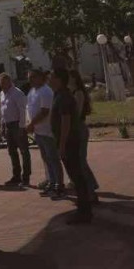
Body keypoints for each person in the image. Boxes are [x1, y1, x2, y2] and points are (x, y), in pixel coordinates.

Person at [50, 68, 92, 224]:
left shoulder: (64, 97)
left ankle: (84, 212)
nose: (49, 80)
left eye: (52, 77)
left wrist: (61, 144)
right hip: (68, 141)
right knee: (76, 175)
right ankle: (84, 209)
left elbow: (66, 122)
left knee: (76, 176)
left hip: (70, 142)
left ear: (59, 80)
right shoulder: (60, 95)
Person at [26, 69, 64, 198]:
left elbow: (44, 111)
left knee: (53, 158)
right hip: (38, 131)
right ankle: (52, 182)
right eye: (29, 77)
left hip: (47, 131)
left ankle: (59, 185)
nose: (30, 80)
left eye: (33, 77)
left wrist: (31, 124)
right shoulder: (32, 91)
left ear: (41, 77)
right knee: (46, 159)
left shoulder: (46, 91)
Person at [69, 70, 99, 203]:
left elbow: (77, 113)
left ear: (74, 79)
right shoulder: (71, 93)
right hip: (75, 128)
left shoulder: (79, 93)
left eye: (69, 78)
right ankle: (90, 187)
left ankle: (91, 190)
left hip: (79, 128)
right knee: (79, 161)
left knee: (81, 161)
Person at [0, 73, 31, 186]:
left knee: (24, 151)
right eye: (0, 83)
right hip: (8, 125)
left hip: (17, 125)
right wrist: (2, 126)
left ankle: (26, 177)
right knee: (12, 152)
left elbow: (23, 111)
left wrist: (22, 127)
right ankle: (16, 176)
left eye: (3, 82)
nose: (1, 85)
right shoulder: (2, 93)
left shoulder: (17, 93)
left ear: (9, 81)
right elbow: (2, 111)